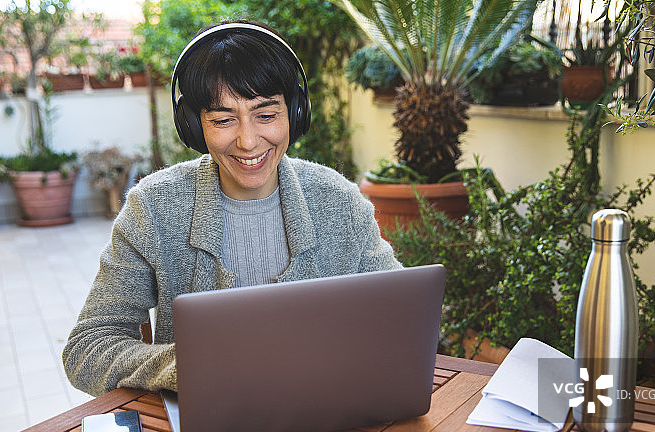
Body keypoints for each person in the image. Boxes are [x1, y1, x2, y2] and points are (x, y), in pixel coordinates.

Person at [63, 21, 401, 396]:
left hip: (326, 413)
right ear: (194, 127)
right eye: (223, 120)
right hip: (209, 427)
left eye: (267, 115)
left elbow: (399, 318)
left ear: (296, 112)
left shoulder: (339, 202)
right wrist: (189, 365)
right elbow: (87, 349)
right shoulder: (154, 208)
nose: (248, 141)